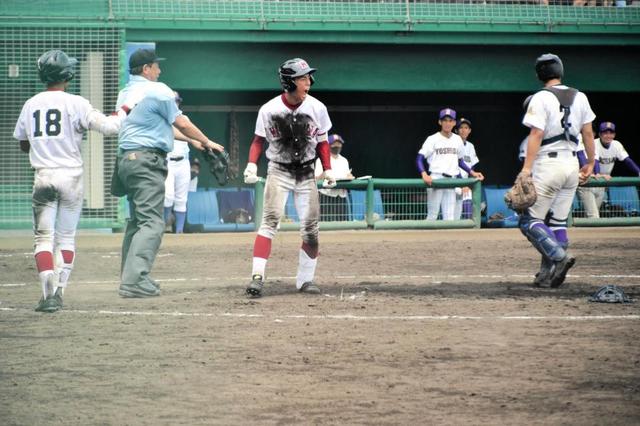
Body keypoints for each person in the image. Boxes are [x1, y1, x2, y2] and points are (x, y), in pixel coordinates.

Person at [13, 49, 131, 312]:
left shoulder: (31, 103)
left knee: (43, 239)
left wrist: (43, 146)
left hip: (43, 175)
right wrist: (123, 110)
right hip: (71, 178)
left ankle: (46, 295)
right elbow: (111, 128)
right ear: (67, 74)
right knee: (66, 238)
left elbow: (23, 144)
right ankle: (59, 292)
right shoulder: (77, 102)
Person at [115, 48, 224, 298]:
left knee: (138, 221)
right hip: (146, 162)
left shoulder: (127, 92)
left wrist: (195, 142)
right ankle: (134, 280)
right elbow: (181, 122)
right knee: (153, 222)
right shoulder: (158, 89)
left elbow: (157, 128)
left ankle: (131, 276)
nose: (159, 70)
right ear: (146, 69)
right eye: (155, 66)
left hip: (127, 161)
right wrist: (207, 140)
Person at [243, 57, 334, 298]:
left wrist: (328, 168)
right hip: (279, 170)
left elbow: (323, 142)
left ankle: (305, 280)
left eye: (307, 77)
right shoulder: (269, 109)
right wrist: (252, 164)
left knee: (311, 230)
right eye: (302, 78)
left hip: (306, 172)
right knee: (269, 222)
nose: (308, 82)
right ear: (289, 82)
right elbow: (258, 141)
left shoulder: (317, 108)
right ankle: (257, 277)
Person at [519, 53, 595, 288]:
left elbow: (536, 134)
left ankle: (558, 258)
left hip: (548, 163)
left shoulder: (540, 97)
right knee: (558, 223)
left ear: (539, 74)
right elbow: (588, 133)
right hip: (572, 164)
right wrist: (591, 162)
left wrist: (526, 169)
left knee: (528, 220)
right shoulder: (580, 96)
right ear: (560, 70)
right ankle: (547, 274)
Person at [416, 108, 484, 221]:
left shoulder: (457, 140)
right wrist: (424, 174)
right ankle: (426, 239)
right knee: (432, 215)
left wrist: (472, 172)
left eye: (450, 120)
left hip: (451, 180)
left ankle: (446, 240)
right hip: (436, 178)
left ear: (453, 123)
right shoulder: (432, 139)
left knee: (449, 218)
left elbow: (460, 161)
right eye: (445, 120)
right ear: (440, 122)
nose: (447, 123)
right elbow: (419, 158)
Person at [578, 122, 640, 218]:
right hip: (589, 182)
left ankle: (582, 232)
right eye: (605, 133)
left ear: (614, 134)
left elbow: (627, 161)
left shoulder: (617, 145)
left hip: (601, 183)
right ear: (600, 134)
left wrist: (638, 171)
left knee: (590, 215)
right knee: (593, 216)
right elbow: (595, 161)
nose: (608, 135)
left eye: (611, 133)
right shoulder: (594, 143)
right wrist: (598, 173)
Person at [163, 91, 192, 233]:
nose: (176, 103)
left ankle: (179, 232)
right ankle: (165, 226)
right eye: (173, 101)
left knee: (181, 199)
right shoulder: (162, 119)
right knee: (167, 197)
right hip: (167, 162)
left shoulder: (184, 118)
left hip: (183, 162)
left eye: (177, 101)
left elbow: (191, 134)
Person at [314, 133, 354, 221]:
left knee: (342, 225)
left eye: (339, 143)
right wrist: (324, 173)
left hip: (341, 196)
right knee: (325, 225)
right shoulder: (320, 160)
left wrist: (350, 177)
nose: (337, 146)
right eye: (334, 143)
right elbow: (316, 179)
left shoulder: (344, 160)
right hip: (326, 195)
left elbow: (347, 175)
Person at [454, 118, 480, 219]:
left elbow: (472, 165)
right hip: (454, 182)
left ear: (469, 130)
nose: (463, 130)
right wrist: (462, 184)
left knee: (468, 211)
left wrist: (468, 183)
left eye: (466, 128)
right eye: (461, 127)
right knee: (453, 216)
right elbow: (454, 165)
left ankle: (467, 234)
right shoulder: (453, 144)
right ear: (456, 130)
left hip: (465, 183)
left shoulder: (470, 146)